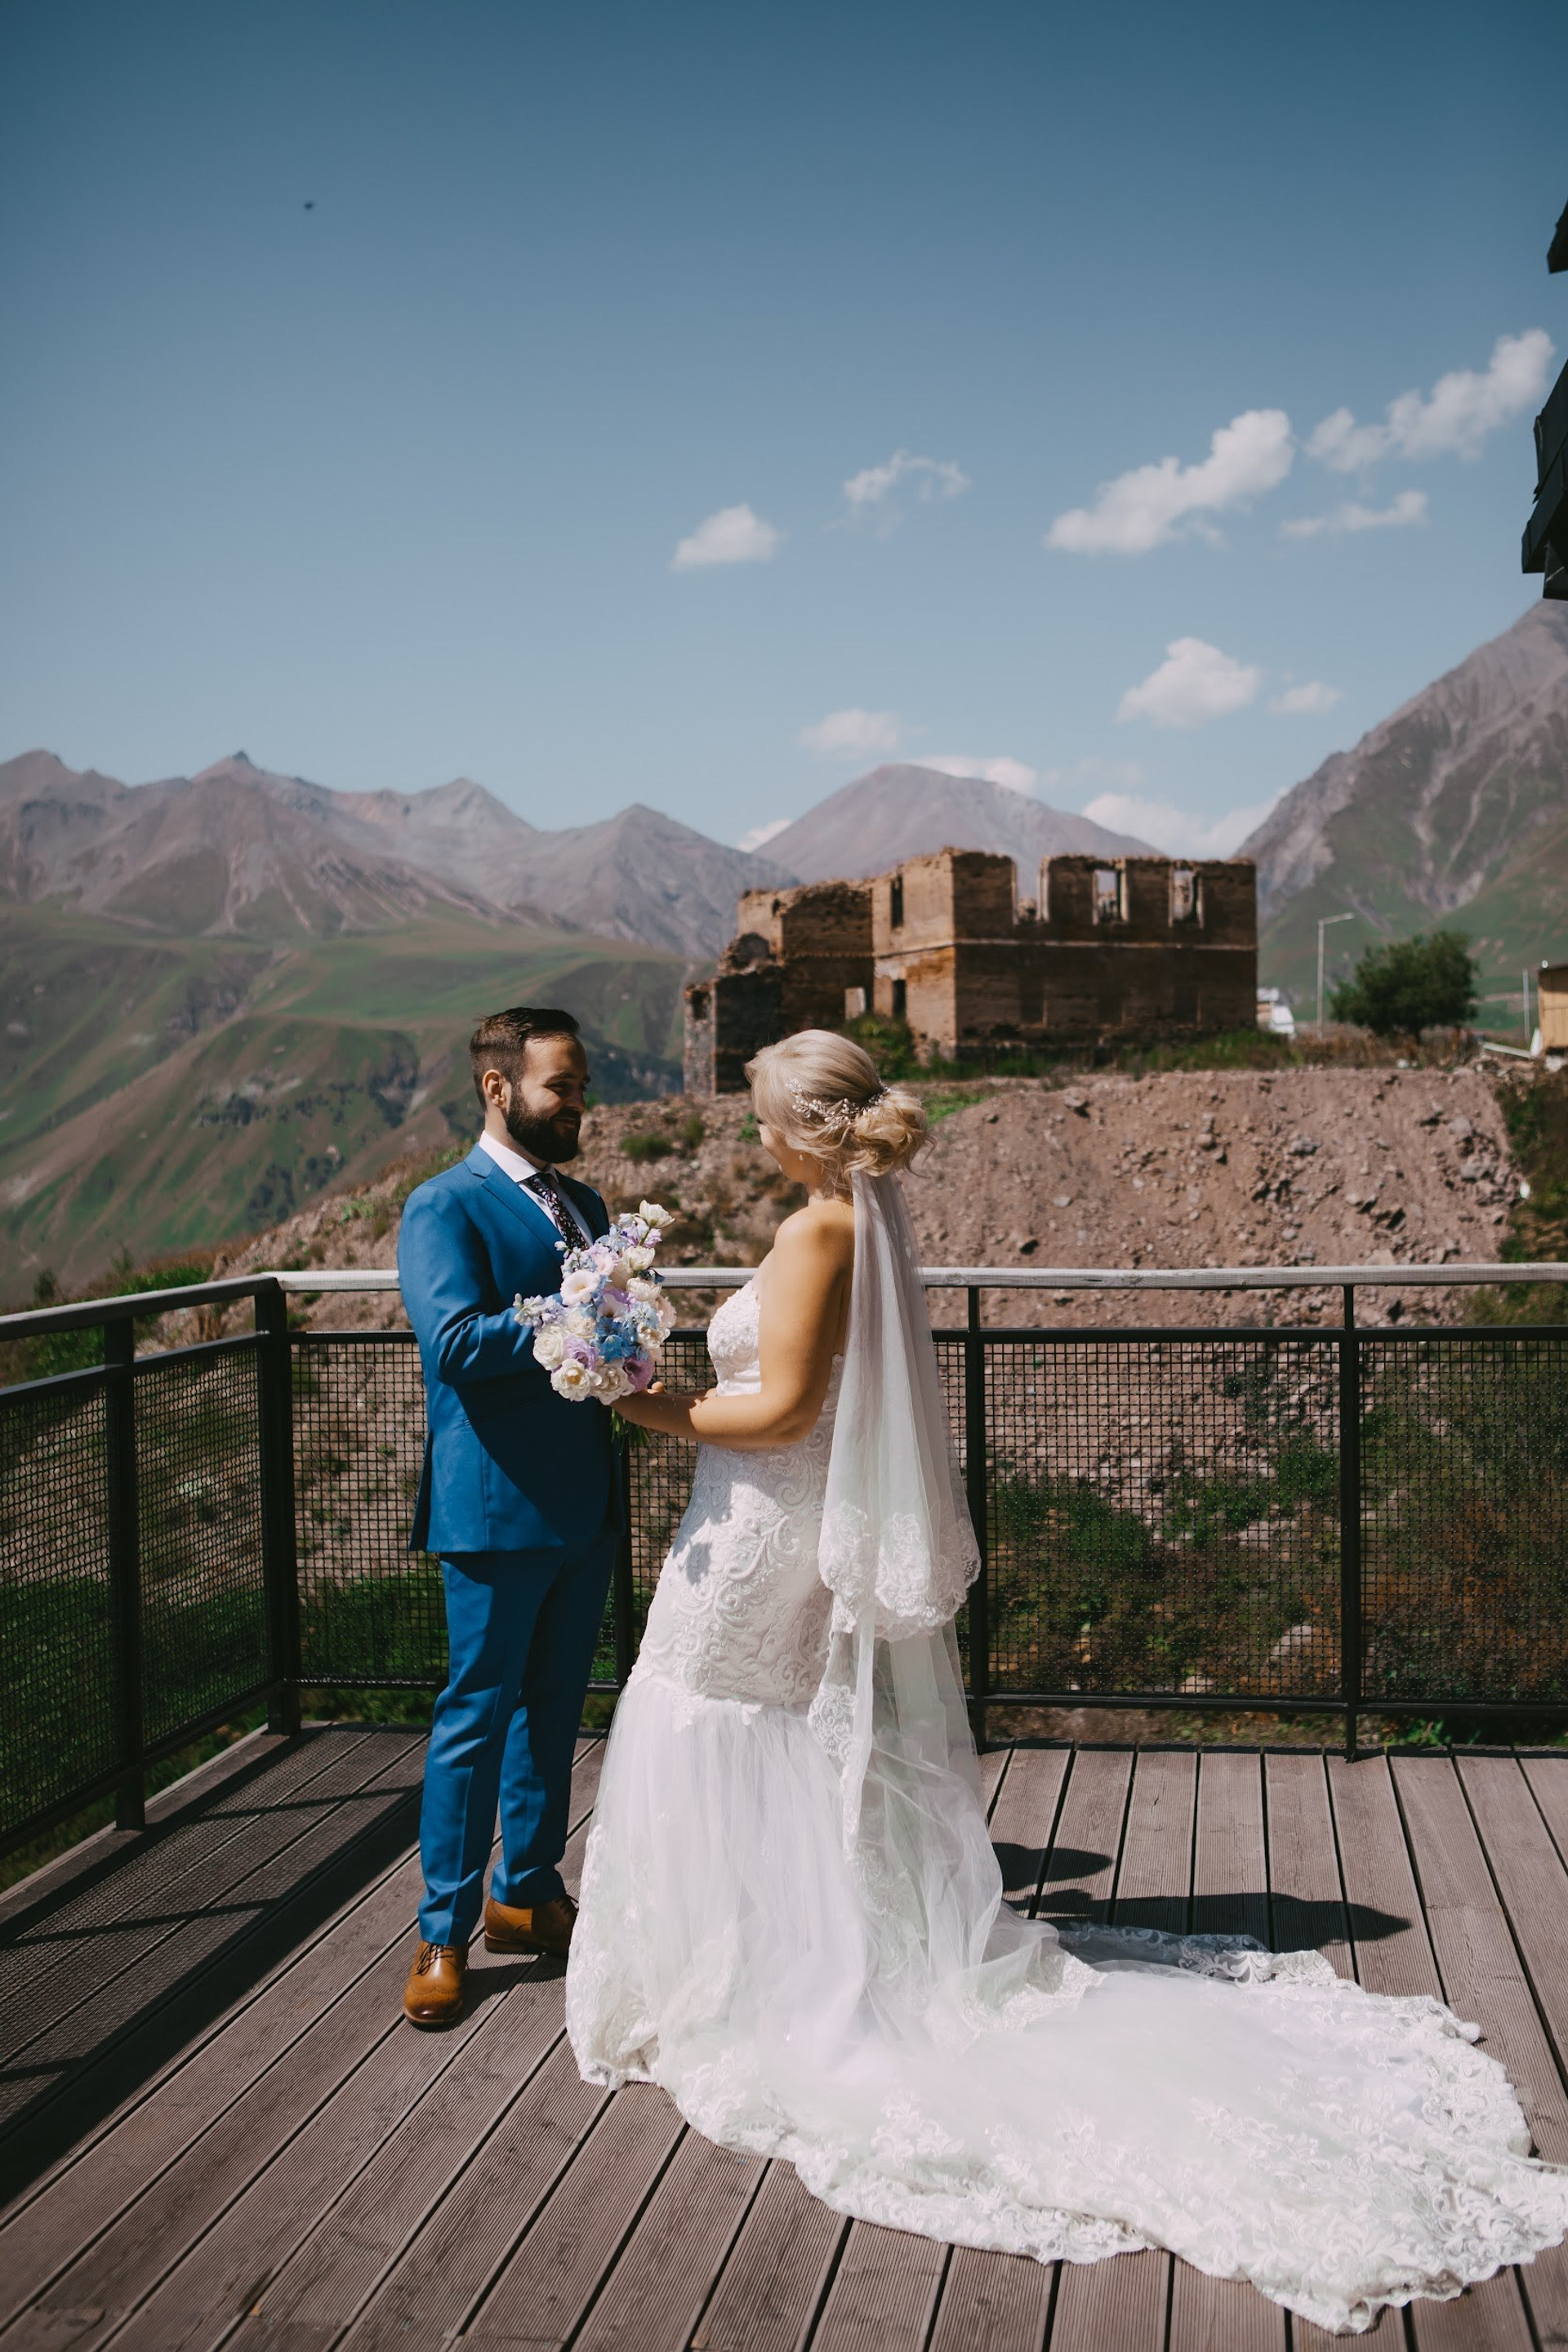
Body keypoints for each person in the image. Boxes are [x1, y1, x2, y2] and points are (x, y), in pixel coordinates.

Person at [568, 1027, 1568, 2335]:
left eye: (759, 1113)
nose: (748, 1132)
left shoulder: (820, 1233)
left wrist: (625, 1397)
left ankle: (746, 1977)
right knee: (743, 1727)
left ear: (802, 1128)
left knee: (706, 1714)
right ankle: (764, 1958)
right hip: (758, 1516)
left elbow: (782, 1413)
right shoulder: (845, 1219)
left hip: (759, 1518)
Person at [397, 1006, 617, 2028]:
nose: (578, 1102)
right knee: (473, 1722)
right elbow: (453, 1346)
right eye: (560, 1086)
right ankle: (440, 1931)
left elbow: (607, 1340)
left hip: (582, 1503)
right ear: (499, 1088)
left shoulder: (587, 1200)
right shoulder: (442, 1206)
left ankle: (526, 1892)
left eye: (579, 1086)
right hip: (490, 1514)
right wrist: (577, 1318)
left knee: (556, 1715)